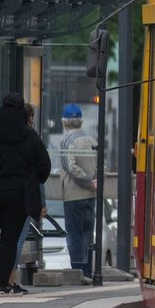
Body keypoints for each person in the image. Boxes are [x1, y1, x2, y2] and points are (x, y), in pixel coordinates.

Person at [0, 92, 51, 295]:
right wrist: (33, 180)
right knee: (10, 241)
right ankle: (2, 284)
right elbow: (45, 166)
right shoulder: (30, 137)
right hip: (17, 196)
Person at [9, 103, 46, 292]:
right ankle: (10, 280)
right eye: (31, 116)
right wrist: (41, 203)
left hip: (6, 195)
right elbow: (41, 172)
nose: (32, 120)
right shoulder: (31, 138)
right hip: (24, 198)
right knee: (18, 240)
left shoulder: (5, 136)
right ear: (28, 117)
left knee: (10, 239)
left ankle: (6, 279)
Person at [59, 103, 97, 280]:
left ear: (64, 122)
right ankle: (89, 270)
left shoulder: (66, 141)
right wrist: (94, 182)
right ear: (81, 121)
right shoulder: (91, 141)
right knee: (88, 234)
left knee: (74, 235)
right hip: (91, 196)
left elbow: (71, 167)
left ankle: (79, 272)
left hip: (73, 196)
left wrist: (87, 182)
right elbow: (101, 164)